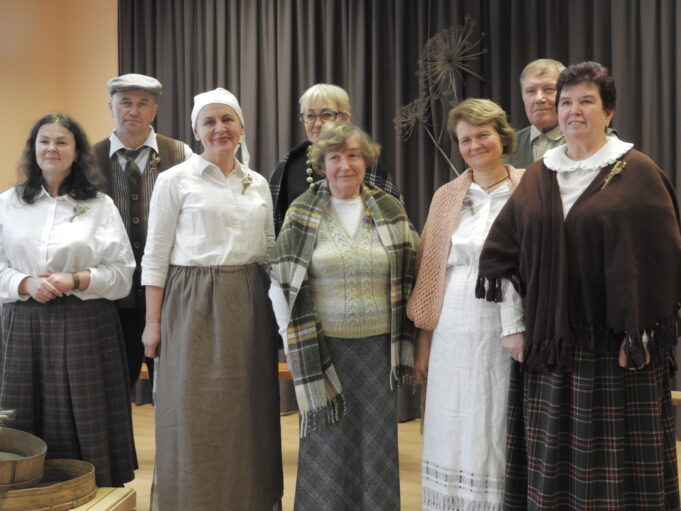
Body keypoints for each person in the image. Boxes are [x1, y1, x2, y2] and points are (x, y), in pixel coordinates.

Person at [479, 61, 681, 509]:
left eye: (586, 101)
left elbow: (663, 262)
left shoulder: (639, 172)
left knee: (618, 469)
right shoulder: (539, 175)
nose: (573, 111)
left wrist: (643, 334)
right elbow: (503, 254)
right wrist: (512, 324)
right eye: (566, 102)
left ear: (608, 111)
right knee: (553, 464)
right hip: (549, 344)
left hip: (617, 350)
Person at [141, 88, 282, 510]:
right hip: (192, 303)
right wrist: (153, 323)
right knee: (193, 409)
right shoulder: (174, 181)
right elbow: (156, 254)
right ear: (196, 131)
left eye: (227, 119)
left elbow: (270, 249)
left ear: (241, 127)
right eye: (209, 121)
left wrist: (281, 314)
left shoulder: (257, 183)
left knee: (248, 410)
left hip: (250, 302)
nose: (219, 128)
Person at [269, 121, 418, 510]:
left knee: (376, 443)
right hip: (324, 349)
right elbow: (280, 283)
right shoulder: (302, 212)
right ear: (322, 164)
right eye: (335, 157)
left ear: (366, 161)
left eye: (353, 155)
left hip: (378, 351)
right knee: (326, 443)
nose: (345, 165)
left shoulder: (390, 209)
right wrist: (290, 341)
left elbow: (415, 267)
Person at [0, 112, 137, 487]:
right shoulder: (9, 203)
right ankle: (23, 487)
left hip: (85, 322)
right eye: (44, 141)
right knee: (21, 412)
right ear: (33, 149)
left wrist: (75, 279)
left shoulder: (100, 206)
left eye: (62, 141)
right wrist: (25, 283)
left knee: (86, 410)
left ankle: (91, 487)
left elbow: (122, 273)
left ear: (77, 152)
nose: (52, 148)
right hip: (22, 323)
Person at [407, 99, 525, 510]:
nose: (474, 145)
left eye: (482, 135)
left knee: (495, 411)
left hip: (506, 320)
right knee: (452, 412)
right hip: (452, 322)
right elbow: (428, 270)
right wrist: (423, 339)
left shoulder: (529, 189)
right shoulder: (447, 196)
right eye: (465, 139)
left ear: (502, 137)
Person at [94, 73, 192, 387]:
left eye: (143, 103)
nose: (133, 110)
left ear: (154, 111)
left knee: (173, 387)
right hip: (110, 301)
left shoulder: (181, 155)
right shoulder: (88, 160)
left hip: (170, 295)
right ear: (110, 107)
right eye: (125, 102)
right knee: (112, 390)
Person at [269, 83, 403, 235]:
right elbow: (274, 231)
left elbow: (395, 225)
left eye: (327, 115)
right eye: (310, 116)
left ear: (345, 119)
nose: (318, 124)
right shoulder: (287, 166)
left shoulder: (366, 164)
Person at [505, 59, 566, 169]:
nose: (538, 98)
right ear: (523, 97)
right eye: (531, 91)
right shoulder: (505, 146)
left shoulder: (591, 141)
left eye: (549, 89)